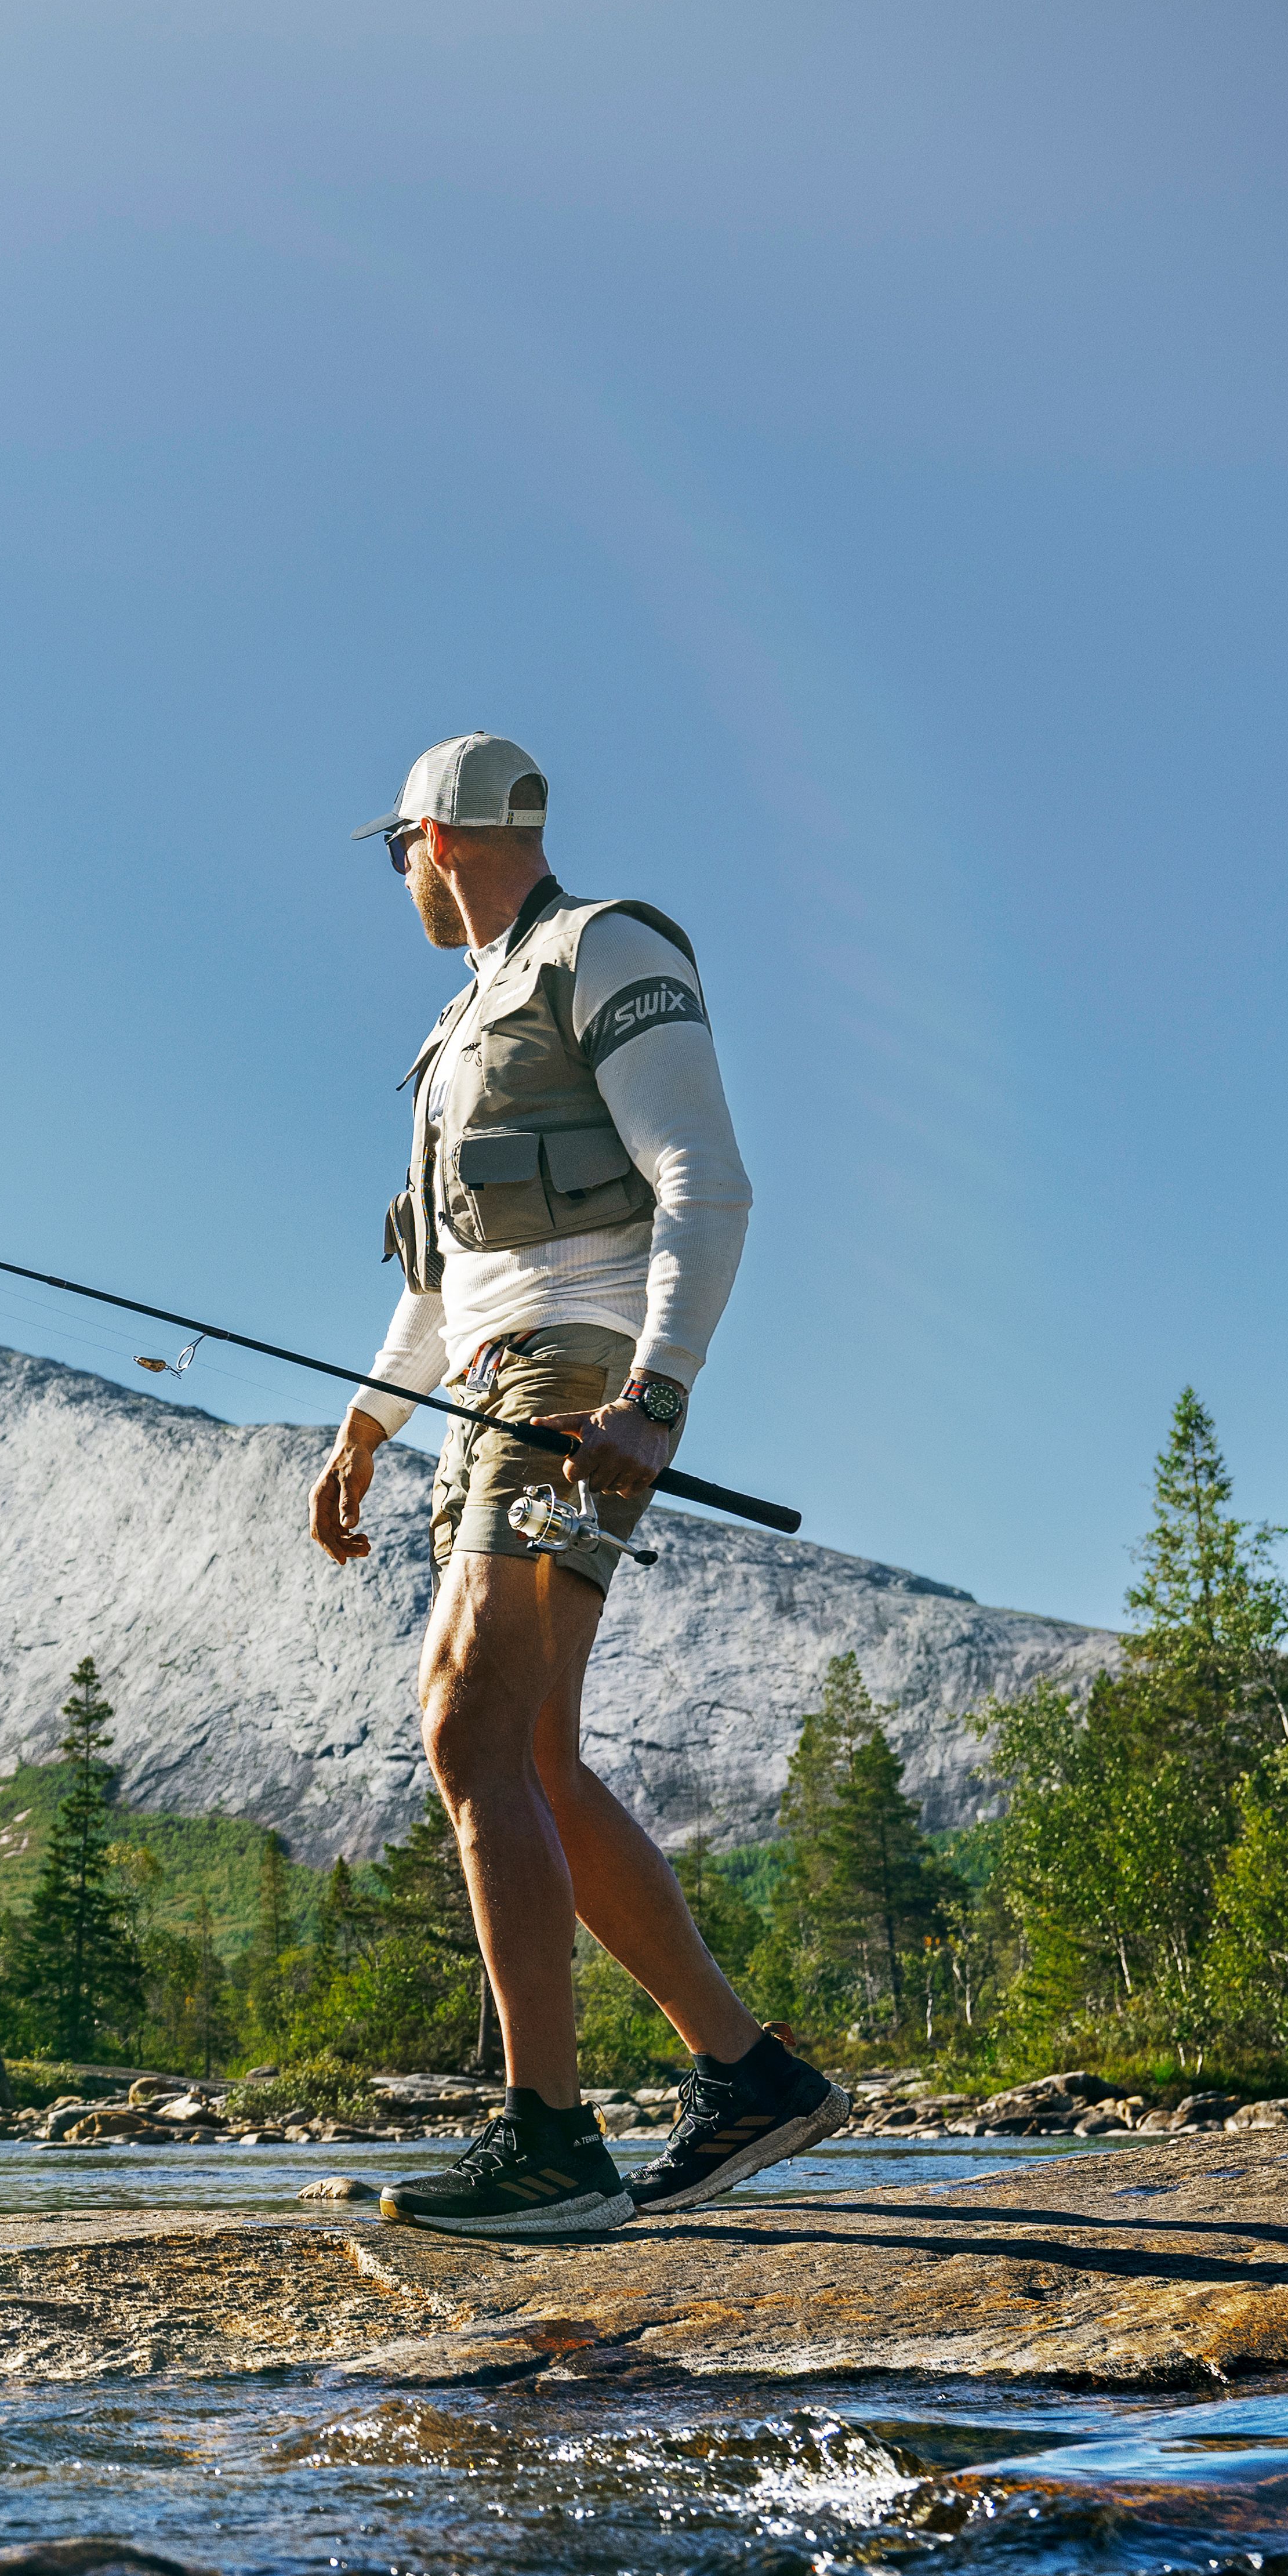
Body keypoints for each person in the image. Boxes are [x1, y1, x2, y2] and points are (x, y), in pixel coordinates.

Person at [307, 730, 847, 2234]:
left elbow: (706, 1181)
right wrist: (367, 1425)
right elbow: (446, 1276)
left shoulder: (603, 952)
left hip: (570, 1377)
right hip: (488, 1383)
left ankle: (549, 2143)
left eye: (400, 850)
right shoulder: (456, 1024)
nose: (401, 874)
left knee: (465, 1732)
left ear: (436, 837)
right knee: (537, 1757)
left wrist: (654, 1396)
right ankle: (749, 2078)